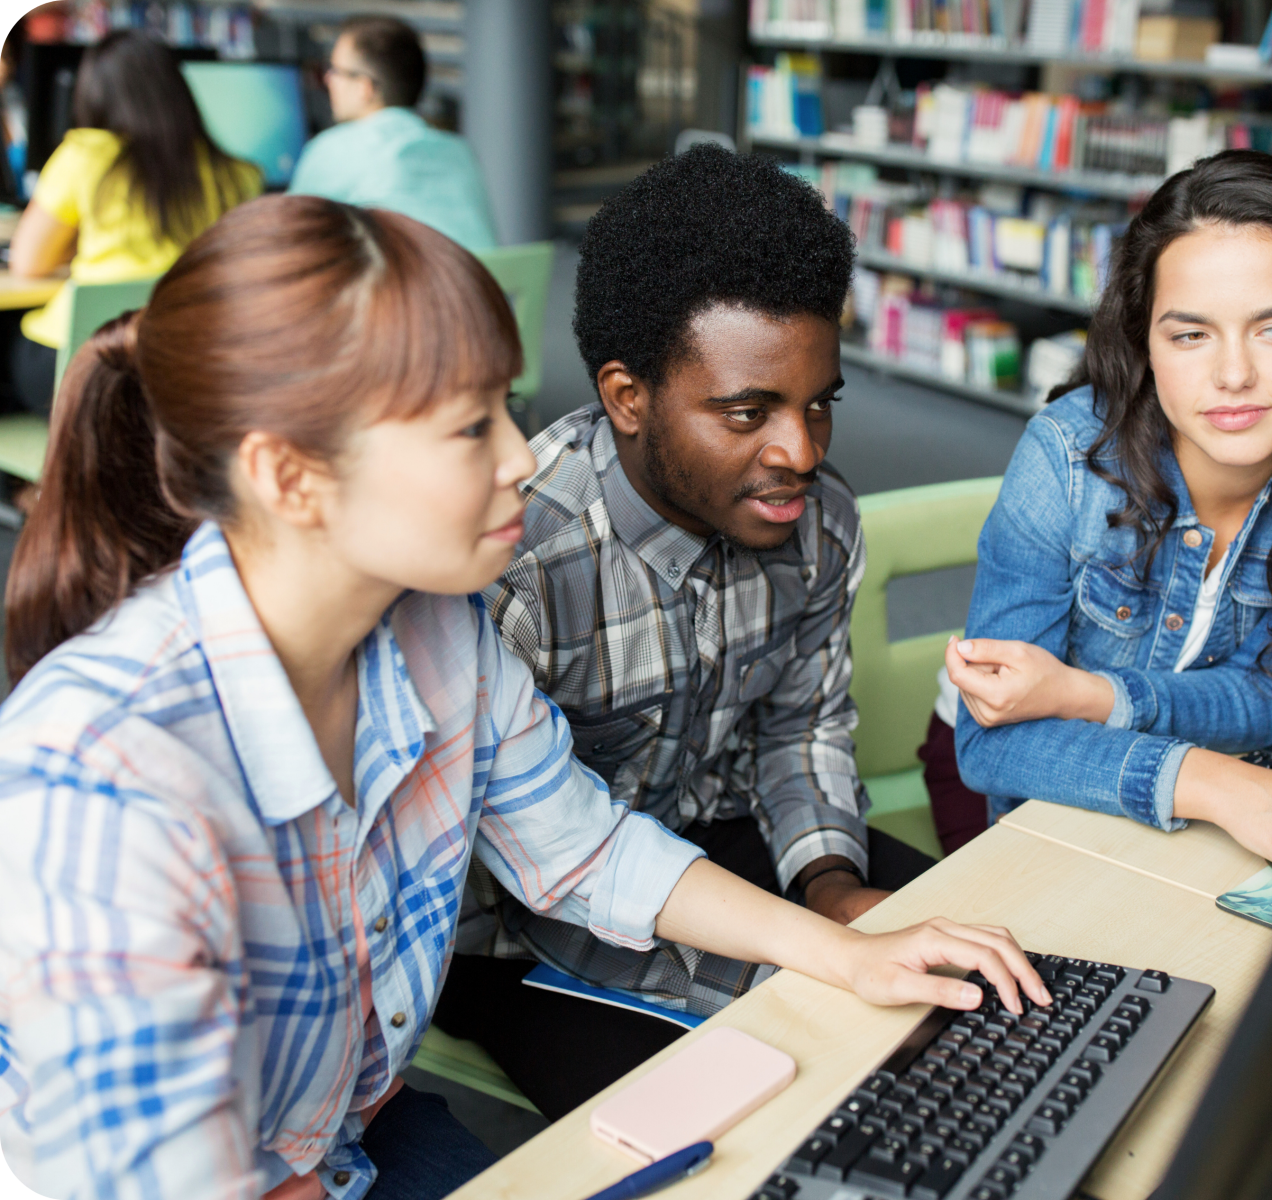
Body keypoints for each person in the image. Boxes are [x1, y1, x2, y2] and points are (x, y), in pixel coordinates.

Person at [0, 195, 1048, 1200]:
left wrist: (847, 953)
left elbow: (584, 846)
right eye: (469, 429)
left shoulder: (432, 633)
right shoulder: (99, 782)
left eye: (508, 408)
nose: (521, 456)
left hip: (349, 1127)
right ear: (291, 477)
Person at [431, 146, 939, 1116]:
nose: (800, 452)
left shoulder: (817, 520)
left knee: (988, 982)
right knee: (794, 1111)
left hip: (719, 833)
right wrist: (793, 976)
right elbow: (551, 863)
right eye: (748, 413)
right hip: (520, 932)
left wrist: (832, 888)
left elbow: (801, 731)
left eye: (818, 404)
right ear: (627, 399)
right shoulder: (517, 567)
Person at [944, 150, 1272, 884]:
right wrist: (1215, 784)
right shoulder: (1065, 456)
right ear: (1144, 341)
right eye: (1190, 335)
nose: (1234, 374)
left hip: (1201, 791)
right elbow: (992, 748)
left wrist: (1091, 694)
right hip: (1031, 796)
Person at [2, 30, 260, 417]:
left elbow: (27, 262)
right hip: (181, 364)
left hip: (84, 362)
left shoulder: (87, 156)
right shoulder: (240, 174)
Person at [289, 14, 497, 252]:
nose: (327, 79)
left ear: (365, 87)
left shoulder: (333, 149)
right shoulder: (460, 153)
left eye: (335, 70)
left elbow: (288, 240)